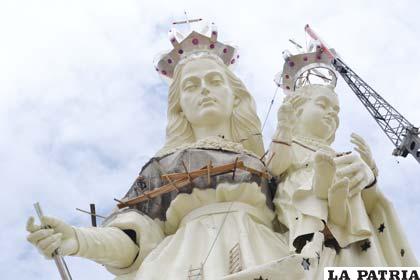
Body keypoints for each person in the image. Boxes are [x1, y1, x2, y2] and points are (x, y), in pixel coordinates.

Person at [26, 41, 320, 278]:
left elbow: (308, 215)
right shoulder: (164, 166)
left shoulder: (269, 162)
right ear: (180, 107)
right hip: (178, 265)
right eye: (191, 86)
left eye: (214, 80)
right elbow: (133, 241)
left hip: (265, 253)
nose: (204, 89)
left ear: (236, 96)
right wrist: (77, 240)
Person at [268, 84, 418, 277]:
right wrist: (283, 128)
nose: (331, 113)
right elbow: (274, 168)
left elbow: (371, 206)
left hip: (350, 234)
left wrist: (369, 175)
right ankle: (324, 191)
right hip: (301, 205)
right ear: (297, 109)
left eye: (336, 111)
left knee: (344, 185)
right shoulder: (290, 143)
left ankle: (332, 197)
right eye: (323, 105)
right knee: (317, 186)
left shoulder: (342, 156)